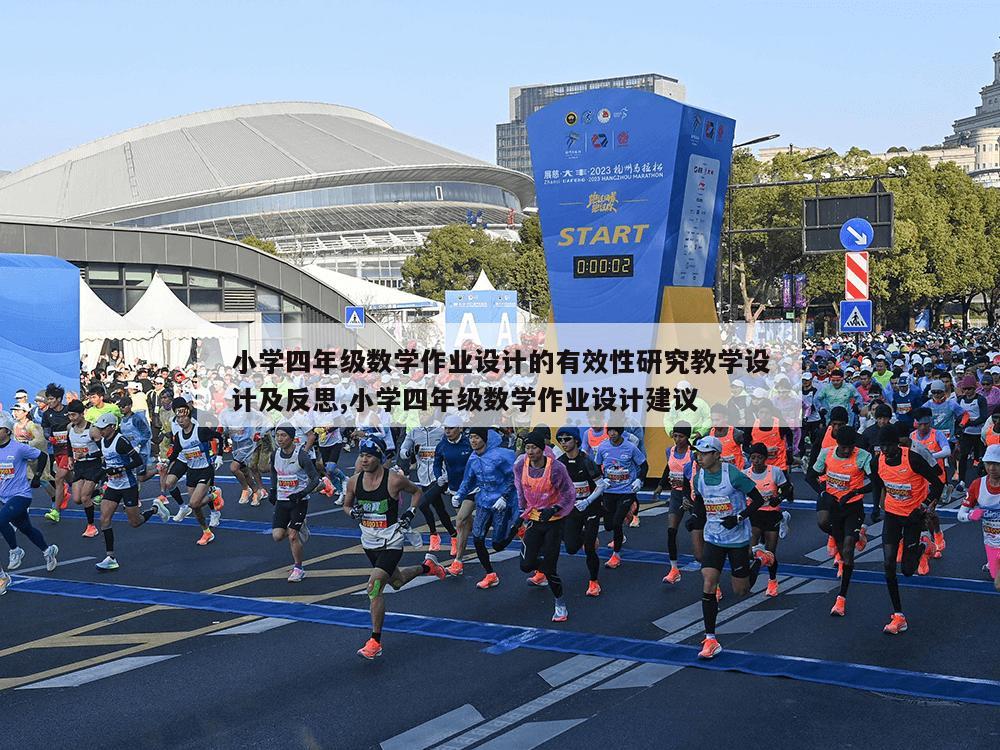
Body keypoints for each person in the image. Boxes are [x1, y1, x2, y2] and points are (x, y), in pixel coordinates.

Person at [343, 437, 445, 659]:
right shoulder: (353, 481)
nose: (364, 459)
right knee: (397, 582)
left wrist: (410, 512)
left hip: (392, 540)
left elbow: (417, 491)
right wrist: (352, 513)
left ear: (379, 458)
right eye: (362, 455)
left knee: (374, 586)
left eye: (369, 455)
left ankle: (375, 642)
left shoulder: (394, 480)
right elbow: (346, 504)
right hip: (369, 541)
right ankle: (428, 567)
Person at [690, 436, 770, 659]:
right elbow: (700, 501)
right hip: (713, 536)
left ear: (716, 454)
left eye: (705, 453)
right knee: (708, 582)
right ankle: (711, 639)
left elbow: (758, 500)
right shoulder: (699, 477)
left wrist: (739, 517)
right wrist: (696, 516)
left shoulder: (732, 474)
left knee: (740, 591)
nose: (700, 457)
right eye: (699, 453)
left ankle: (760, 560)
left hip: (737, 538)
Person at [873, 424, 943, 634]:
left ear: (898, 443)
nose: (885, 450)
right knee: (888, 563)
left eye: (889, 446)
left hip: (913, 516)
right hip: (893, 515)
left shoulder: (912, 458)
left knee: (908, 571)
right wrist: (876, 508)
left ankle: (925, 546)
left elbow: (938, 483)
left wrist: (923, 507)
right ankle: (898, 616)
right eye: (882, 446)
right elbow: (879, 484)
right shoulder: (879, 461)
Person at [93, 412, 170, 570]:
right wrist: (99, 480)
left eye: (103, 428)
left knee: (135, 522)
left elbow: (137, 461)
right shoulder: (102, 442)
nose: (100, 431)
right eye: (99, 428)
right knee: (104, 519)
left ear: (112, 427)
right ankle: (110, 557)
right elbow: (105, 463)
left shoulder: (121, 441)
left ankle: (155, 509)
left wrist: (121, 468)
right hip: (113, 486)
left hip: (128, 486)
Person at [513, 429, 576, 621]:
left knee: (550, 568)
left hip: (554, 522)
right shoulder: (520, 466)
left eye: (534, 448)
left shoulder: (556, 468)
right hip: (533, 518)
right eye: (527, 447)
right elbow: (520, 490)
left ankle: (560, 603)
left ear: (543, 449)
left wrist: (555, 508)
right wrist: (520, 514)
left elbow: (569, 493)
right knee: (526, 565)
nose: (530, 451)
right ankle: (546, 567)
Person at [811, 426, 872, 615]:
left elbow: (876, 481)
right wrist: (823, 492)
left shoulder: (863, 456)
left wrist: (856, 492)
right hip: (834, 508)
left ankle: (841, 598)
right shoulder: (826, 454)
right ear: (837, 443)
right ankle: (857, 536)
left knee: (847, 551)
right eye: (844, 447)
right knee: (834, 536)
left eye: (850, 447)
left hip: (853, 507)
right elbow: (813, 475)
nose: (847, 451)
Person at [452, 427, 517, 589]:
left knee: (498, 544)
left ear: (485, 439)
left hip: (501, 503)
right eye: (471, 437)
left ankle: (517, 527)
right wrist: (459, 495)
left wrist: (504, 497)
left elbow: (513, 476)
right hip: (483, 502)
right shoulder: (473, 458)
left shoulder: (499, 456)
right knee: (478, 538)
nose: (473, 441)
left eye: (477, 437)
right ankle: (490, 574)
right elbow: (468, 480)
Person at [0, 412, 59, 579]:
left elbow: (42, 456)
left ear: (7, 431)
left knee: (1, 520)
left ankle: (15, 550)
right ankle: (48, 551)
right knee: (26, 528)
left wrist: (38, 476)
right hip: (4, 497)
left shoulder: (18, 448)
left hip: (21, 495)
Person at [555, 426, 607, 596]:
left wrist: (587, 501)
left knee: (590, 547)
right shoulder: (560, 462)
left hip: (590, 508)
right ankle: (585, 536)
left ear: (576, 440)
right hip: (572, 509)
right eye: (560, 439)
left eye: (567, 439)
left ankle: (594, 582)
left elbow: (601, 485)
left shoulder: (586, 461)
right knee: (570, 548)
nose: (564, 443)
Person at [164, 398, 223, 544]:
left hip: (205, 470)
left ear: (189, 417)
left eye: (183, 417)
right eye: (178, 418)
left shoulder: (200, 430)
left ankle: (214, 495)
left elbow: (219, 437)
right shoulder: (178, 436)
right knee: (195, 507)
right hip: (191, 470)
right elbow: (176, 452)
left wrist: (219, 456)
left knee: (195, 503)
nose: (180, 420)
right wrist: (167, 462)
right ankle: (206, 532)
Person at [399, 411, 457, 552]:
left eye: (425, 414)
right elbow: (403, 451)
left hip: (440, 476)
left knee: (424, 504)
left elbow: (451, 445)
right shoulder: (414, 432)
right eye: (420, 414)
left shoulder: (440, 431)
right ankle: (453, 536)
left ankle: (434, 534)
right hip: (423, 476)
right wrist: (411, 452)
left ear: (432, 414)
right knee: (439, 508)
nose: (422, 417)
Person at [270, 423, 321, 581]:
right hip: (282, 499)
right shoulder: (275, 454)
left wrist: (302, 493)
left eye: (284, 435)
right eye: (278, 435)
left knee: (292, 535)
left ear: (292, 438)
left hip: (299, 500)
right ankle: (300, 527)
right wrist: (273, 489)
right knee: (277, 536)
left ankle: (298, 568)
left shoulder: (301, 455)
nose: (280, 439)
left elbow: (315, 479)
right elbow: (273, 472)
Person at [744, 441, 794, 596]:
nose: (756, 461)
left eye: (759, 457)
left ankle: (772, 581)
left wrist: (778, 498)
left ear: (765, 458)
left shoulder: (775, 472)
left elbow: (787, 489)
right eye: (753, 457)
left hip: (772, 513)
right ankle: (757, 561)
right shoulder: (745, 474)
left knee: (770, 554)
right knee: (750, 552)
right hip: (754, 514)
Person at [594, 426, 647, 569]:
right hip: (609, 490)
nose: (612, 434)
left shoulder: (630, 447)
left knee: (617, 523)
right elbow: (597, 465)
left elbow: (644, 465)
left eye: (615, 431)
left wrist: (639, 480)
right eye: (610, 431)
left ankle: (616, 556)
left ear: (620, 431)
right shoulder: (603, 446)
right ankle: (627, 515)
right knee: (608, 525)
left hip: (626, 490)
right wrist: (601, 480)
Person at [653, 422, 697, 584]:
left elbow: (692, 475)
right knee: (671, 531)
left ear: (688, 437)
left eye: (681, 436)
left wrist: (690, 496)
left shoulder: (693, 454)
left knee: (699, 535)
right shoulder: (669, 451)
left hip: (692, 496)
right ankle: (674, 569)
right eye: (675, 436)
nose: (677, 440)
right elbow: (668, 468)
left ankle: (713, 576)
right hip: (676, 494)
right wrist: (659, 485)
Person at [435, 415, 475, 576]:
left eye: (451, 428)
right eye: (445, 428)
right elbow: (437, 463)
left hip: (473, 488)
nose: (447, 431)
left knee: (460, 522)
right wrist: (439, 476)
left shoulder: (469, 442)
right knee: (466, 524)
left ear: (460, 428)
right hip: (454, 489)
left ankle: (458, 561)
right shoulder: (442, 445)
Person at [957, 443, 1000, 592]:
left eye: (996, 464)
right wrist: (971, 515)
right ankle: (992, 563)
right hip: (990, 540)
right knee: (996, 577)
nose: (992, 468)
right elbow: (960, 515)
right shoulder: (977, 485)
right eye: (989, 463)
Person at [909, 407, 951, 557]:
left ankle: (936, 536)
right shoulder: (912, 436)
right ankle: (932, 541)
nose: (923, 427)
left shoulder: (937, 434)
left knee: (929, 512)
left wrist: (929, 456)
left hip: (936, 479)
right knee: (924, 513)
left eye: (926, 424)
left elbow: (947, 451)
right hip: (919, 481)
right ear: (916, 423)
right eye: (920, 424)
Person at [41, 383, 72, 521]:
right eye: (47, 399)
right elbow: (46, 432)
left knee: (59, 478)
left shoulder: (68, 410)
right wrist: (50, 438)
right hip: (57, 450)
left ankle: (56, 511)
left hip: (70, 450)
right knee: (70, 478)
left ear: (59, 399)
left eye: (51, 399)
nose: (49, 401)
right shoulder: (47, 414)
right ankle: (95, 490)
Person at [955, 375, 988, 495]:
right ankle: (962, 481)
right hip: (966, 434)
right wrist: (959, 427)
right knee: (963, 456)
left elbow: (984, 416)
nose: (967, 391)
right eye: (965, 389)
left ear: (975, 388)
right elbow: (957, 416)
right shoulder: (960, 400)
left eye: (970, 389)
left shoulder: (980, 399)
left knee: (981, 459)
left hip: (979, 433)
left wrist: (971, 423)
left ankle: (982, 482)